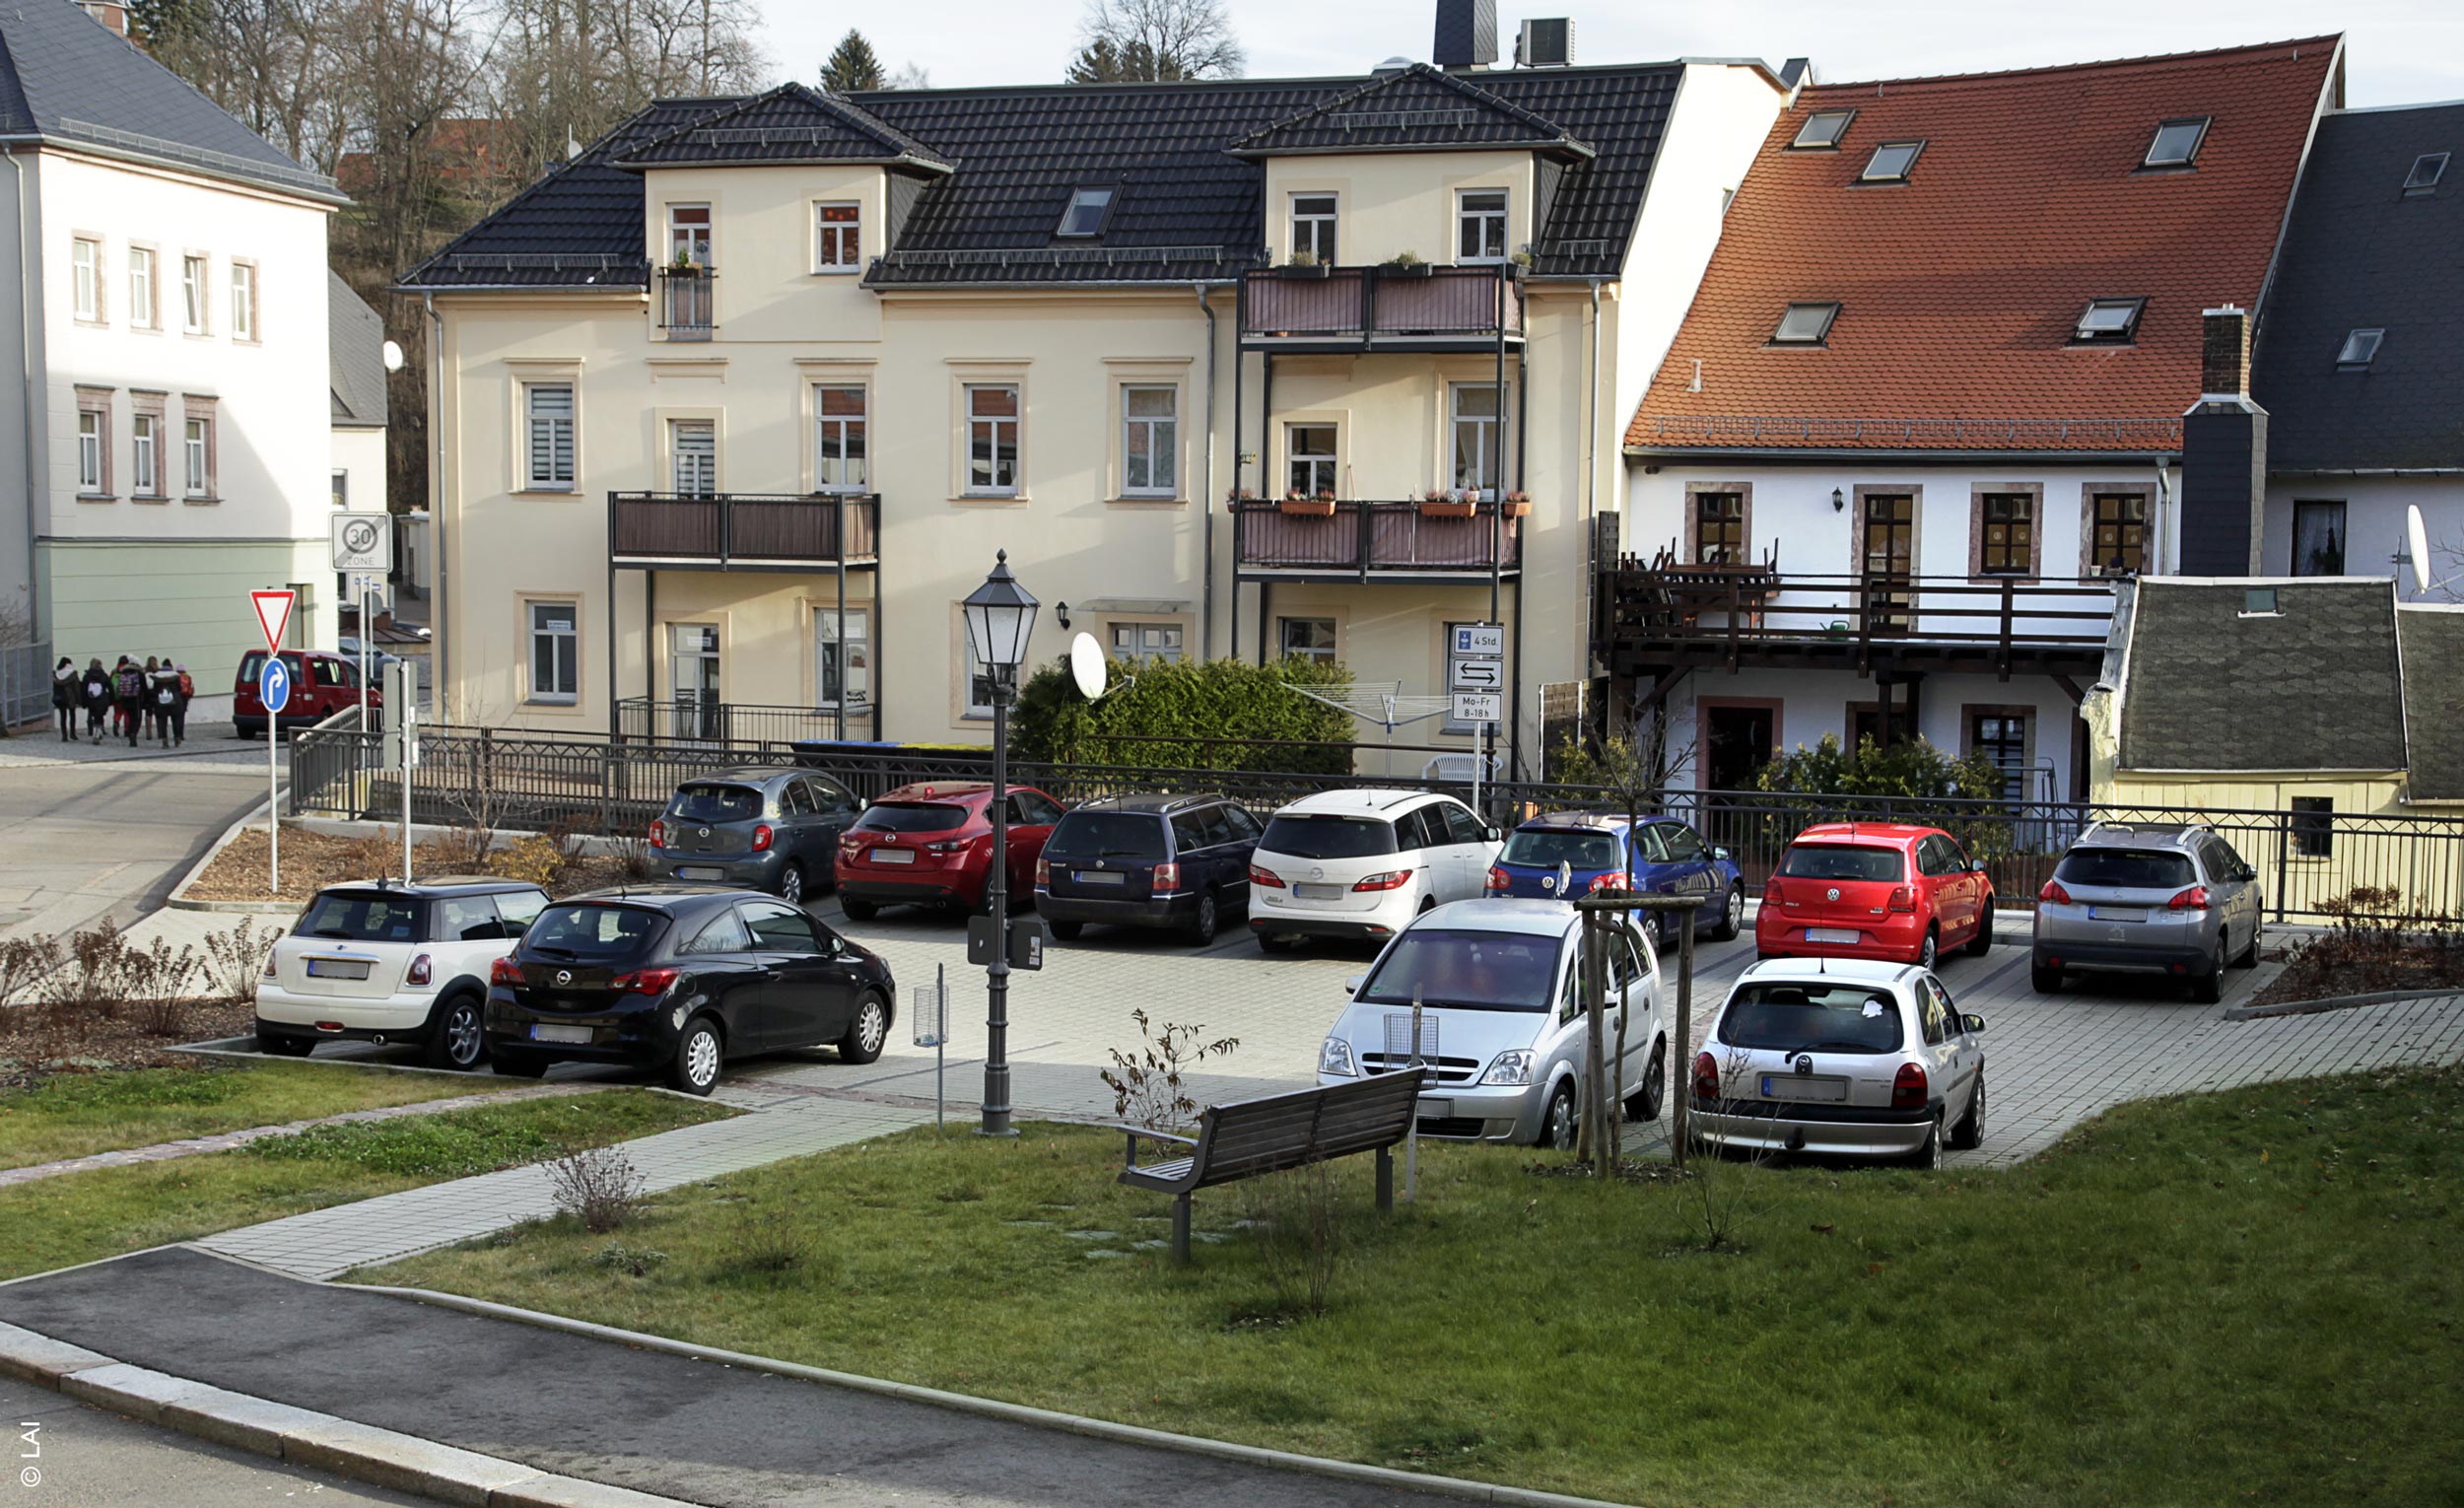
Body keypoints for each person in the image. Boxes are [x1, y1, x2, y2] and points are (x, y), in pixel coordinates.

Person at [111, 656, 146, 748]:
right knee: (136, 718)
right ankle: (133, 733)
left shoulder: (123, 673)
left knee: (129, 716)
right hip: (136, 699)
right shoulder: (139, 674)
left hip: (125, 699)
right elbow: (144, 688)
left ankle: (129, 731)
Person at [149, 656, 179, 748]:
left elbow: (155, 690)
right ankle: (176, 738)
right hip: (174, 701)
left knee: (163, 722)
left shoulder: (158, 676)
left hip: (161, 702)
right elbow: (179, 689)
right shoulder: (175, 676)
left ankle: (164, 741)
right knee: (175, 720)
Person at [81, 658, 109, 741]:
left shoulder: (86, 676)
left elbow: (83, 690)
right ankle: (97, 733)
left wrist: (83, 701)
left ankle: (92, 730)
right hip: (101, 699)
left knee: (92, 714)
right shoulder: (104, 675)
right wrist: (110, 698)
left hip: (91, 699)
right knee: (99, 717)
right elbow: (110, 686)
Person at [50, 657, 76, 741]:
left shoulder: (56, 674)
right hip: (70, 697)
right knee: (72, 715)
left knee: (63, 716)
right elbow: (76, 687)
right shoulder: (72, 674)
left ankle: (64, 735)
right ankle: (72, 733)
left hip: (60, 697)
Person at [171, 662, 193, 746]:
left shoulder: (175, 678)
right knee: (181, 716)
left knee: (175, 717)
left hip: (176, 698)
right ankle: (181, 734)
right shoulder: (188, 677)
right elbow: (191, 687)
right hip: (185, 698)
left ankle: (176, 734)